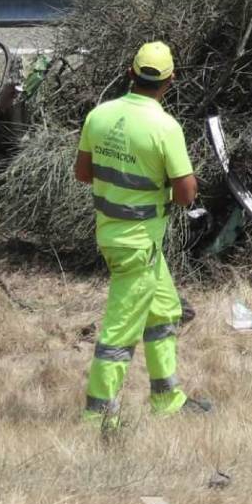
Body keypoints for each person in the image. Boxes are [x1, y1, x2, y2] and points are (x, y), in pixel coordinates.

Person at [74, 41, 211, 423]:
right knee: (119, 333)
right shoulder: (165, 127)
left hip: (118, 236)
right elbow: (186, 195)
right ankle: (98, 419)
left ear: (131, 73)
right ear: (170, 80)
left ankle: (168, 400)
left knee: (165, 310)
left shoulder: (99, 116)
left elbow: (83, 174)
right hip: (138, 245)